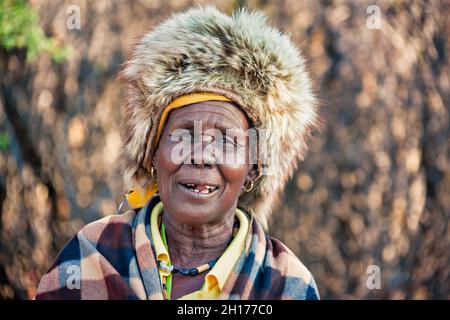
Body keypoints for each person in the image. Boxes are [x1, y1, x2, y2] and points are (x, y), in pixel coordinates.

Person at [35, 6, 320, 300]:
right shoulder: (92, 256)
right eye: (184, 135)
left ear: (253, 167)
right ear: (153, 154)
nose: (201, 156)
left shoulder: (286, 283)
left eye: (226, 141)